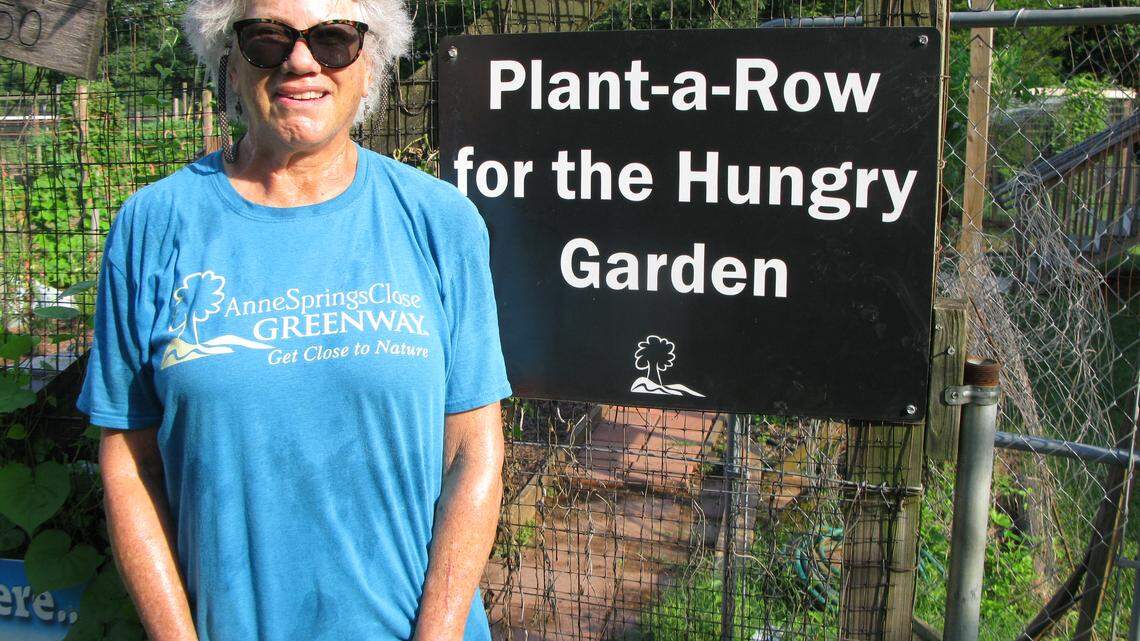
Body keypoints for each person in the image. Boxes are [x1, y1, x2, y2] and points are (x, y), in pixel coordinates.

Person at [75, 0, 512, 638]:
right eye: (267, 39)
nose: (301, 61)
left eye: (334, 39)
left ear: (372, 64)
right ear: (229, 60)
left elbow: (474, 452)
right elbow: (130, 462)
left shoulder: (440, 222)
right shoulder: (152, 226)